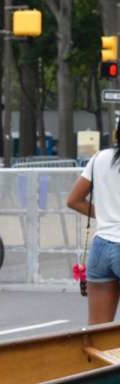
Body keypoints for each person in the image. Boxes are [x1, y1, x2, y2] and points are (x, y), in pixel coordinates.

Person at [68, 116, 120, 324]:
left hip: (101, 249)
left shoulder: (99, 158)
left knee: (98, 335)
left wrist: (104, 215)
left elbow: (74, 200)